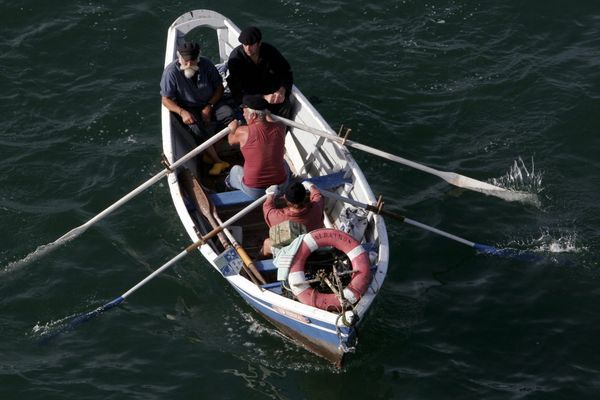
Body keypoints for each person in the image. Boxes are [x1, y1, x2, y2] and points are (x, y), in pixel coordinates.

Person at [160, 41, 236, 175]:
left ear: (198, 58)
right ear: (180, 58)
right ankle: (217, 160)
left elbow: (219, 88)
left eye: (192, 61)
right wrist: (182, 112)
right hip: (188, 108)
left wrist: (209, 106)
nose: (189, 64)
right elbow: (165, 99)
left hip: (211, 102)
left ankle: (213, 149)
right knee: (196, 128)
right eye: (186, 61)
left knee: (229, 114)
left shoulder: (207, 65)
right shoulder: (171, 72)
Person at [225, 94, 289, 199]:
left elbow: (231, 141)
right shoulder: (281, 126)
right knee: (284, 162)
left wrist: (232, 129)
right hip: (280, 187)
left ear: (253, 115)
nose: (243, 115)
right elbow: (271, 122)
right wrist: (266, 114)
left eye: (244, 112)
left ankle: (228, 185)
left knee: (235, 170)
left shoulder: (243, 131)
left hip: (255, 191)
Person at [226, 26, 294, 119]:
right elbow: (240, 91)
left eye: (251, 44)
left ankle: (279, 131)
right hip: (248, 95)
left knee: (285, 105)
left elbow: (286, 71)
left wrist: (282, 90)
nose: (248, 48)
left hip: (267, 89)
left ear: (259, 43)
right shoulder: (236, 59)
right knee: (254, 112)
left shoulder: (270, 51)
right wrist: (263, 97)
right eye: (245, 45)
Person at [260, 181, 325, 257]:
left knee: (267, 243)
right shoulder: (316, 208)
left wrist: (270, 194)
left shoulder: (275, 216)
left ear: (285, 197)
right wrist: (311, 186)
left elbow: (267, 206)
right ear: (305, 196)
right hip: (312, 247)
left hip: (288, 252)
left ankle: (261, 258)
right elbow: (318, 196)